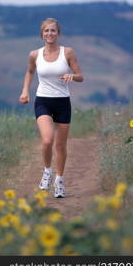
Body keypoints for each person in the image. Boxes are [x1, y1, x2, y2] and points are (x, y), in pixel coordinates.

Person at [19, 18, 84, 198]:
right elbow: (30, 71)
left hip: (62, 102)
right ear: (42, 34)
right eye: (46, 31)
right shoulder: (34, 54)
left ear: (58, 33)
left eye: (53, 31)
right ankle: (47, 172)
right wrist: (25, 91)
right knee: (47, 140)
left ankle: (59, 181)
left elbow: (80, 76)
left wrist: (72, 76)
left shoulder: (68, 52)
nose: (50, 34)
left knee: (61, 145)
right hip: (43, 101)